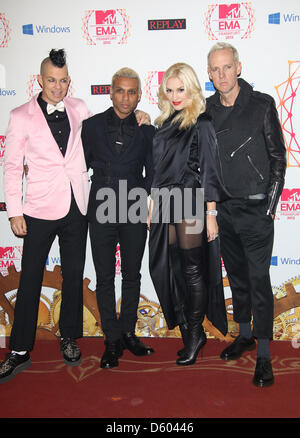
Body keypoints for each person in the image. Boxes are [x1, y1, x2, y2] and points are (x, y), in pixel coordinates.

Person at [0, 49, 92, 383]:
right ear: (40, 80)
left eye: (63, 80)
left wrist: (136, 116)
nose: (57, 86)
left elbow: (98, 139)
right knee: (30, 279)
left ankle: (68, 336)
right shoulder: (21, 115)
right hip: (38, 208)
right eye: (51, 80)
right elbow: (11, 167)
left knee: (73, 275)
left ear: (69, 81)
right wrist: (14, 212)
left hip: (76, 206)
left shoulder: (80, 108)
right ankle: (19, 350)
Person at [206, 42, 286, 387]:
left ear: (238, 67)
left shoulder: (261, 105)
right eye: (214, 69)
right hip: (224, 211)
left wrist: (268, 209)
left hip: (256, 211)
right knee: (237, 278)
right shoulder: (206, 110)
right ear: (209, 74)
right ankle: (244, 335)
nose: (221, 75)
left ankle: (264, 355)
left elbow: (278, 160)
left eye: (226, 67)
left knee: (258, 282)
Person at [148, 63, 227, 366]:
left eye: (181, 89)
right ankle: (188, 329)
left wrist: (211, 212)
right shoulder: (165, 121)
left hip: (190, 200)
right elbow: (158, 167)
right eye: (170, 90)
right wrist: (153, 202)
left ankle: (194, 334)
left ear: (192, 88)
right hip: (166, 201)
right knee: (171, 267)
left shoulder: (202, 122)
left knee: (193, 271)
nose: (175, 95)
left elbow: (209, 170)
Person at [81, 67, 155, 369]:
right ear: (111, 92)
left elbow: (153, 172)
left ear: (139, 95)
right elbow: (76, 166)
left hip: (135, 203)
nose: (125, 97)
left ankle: (128, 332)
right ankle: (111, 338)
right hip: (101, 203)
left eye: (132, 91)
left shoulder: (148, 130)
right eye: (120, 90)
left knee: (133, 274)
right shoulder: (91, 126)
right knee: (105, 276)